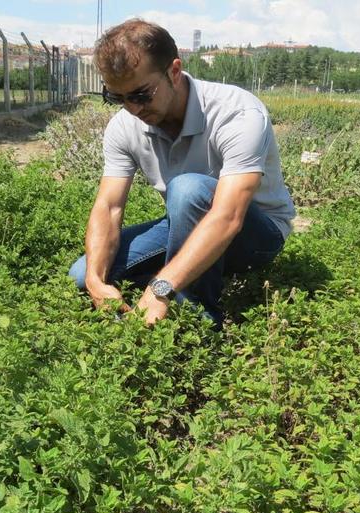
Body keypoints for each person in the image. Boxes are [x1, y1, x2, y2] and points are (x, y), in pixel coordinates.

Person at [67, 19, 296, 328]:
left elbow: (228, 217)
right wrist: (96, 283)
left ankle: (199, 325)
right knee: (82, 273)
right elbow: (109, 207)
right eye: (117, 98)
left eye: (141, 95)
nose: (132, 109)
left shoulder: (235, 112)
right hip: (187, 221)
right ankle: (183, 273)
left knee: (188, 190)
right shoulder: (125, 125)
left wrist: (161, 287)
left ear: (174, 71)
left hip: (256, 234)